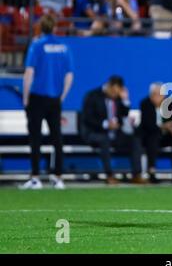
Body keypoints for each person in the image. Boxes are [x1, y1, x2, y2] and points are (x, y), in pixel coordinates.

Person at [20, 15, 74, 190]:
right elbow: (69, 75)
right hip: (54, 99)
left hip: (37, 97)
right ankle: (58, 177)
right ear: (55, 27)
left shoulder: (36, 45)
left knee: (35, 138)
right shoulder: (64, 47)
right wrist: (62, 96)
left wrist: (26, 98)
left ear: (40, 27)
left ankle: (35, 178)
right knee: (56, 138)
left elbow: (29, 72)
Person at [80, 76, 146, 185]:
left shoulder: (118, 97)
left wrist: (125, 100)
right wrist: (106, 124)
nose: (115, 95)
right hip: (94, 133)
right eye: (114, 91)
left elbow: (124, 114)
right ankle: (109, 175)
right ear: (109, 86)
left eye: (118, 92)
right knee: (104, 140)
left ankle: (136, 175)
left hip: (115, 133)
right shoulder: (92, 96)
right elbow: (87, 118)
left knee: (134, 140)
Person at [139, 82, 172, 184]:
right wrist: (163, 127)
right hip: (151, 136)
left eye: (161, 94)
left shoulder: (169, 103)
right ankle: (152, 172)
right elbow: (147, 125)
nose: (158, 97)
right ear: (151, 95)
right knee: (153, 138)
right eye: (155, 94)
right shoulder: (145, 104)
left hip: (166, 136)